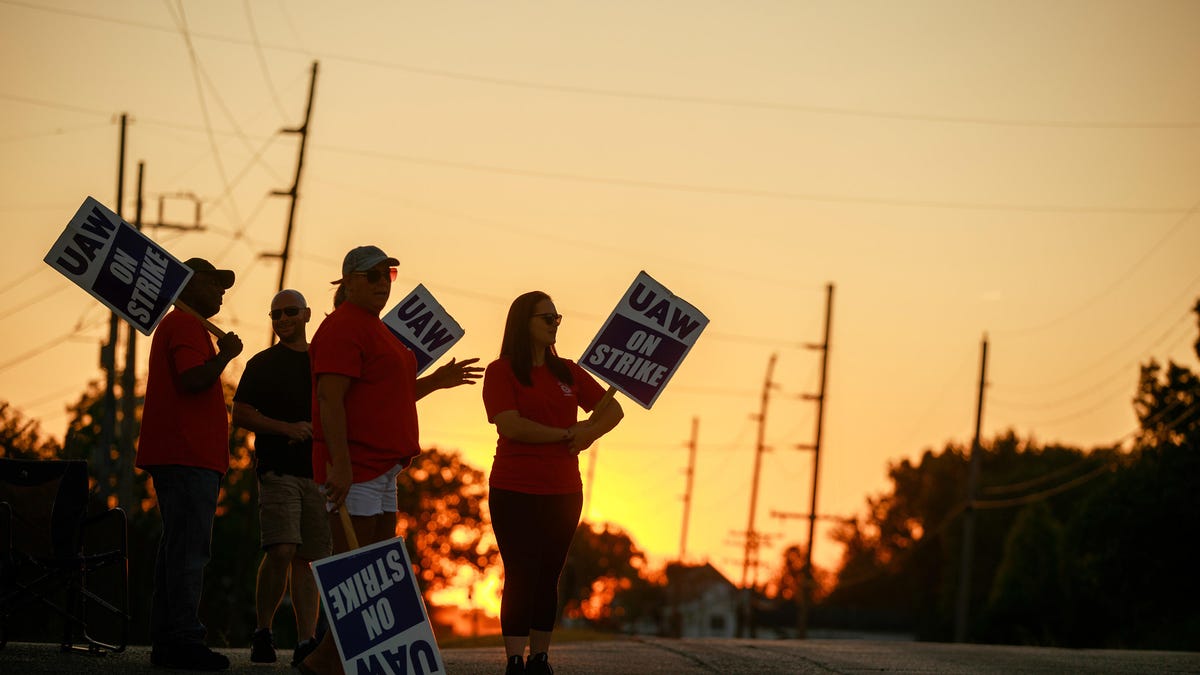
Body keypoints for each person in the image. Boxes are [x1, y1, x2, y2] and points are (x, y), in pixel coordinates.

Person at [298, 245, 483, 675]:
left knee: (379, 570)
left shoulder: (376, 329)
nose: (384, 282)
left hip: (384, 467)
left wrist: (435, 381)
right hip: (357, 466)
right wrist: (340, 464)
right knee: (357, 571)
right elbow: (330, 398)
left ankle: (335, 659)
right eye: (374, 275)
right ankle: (327, 661)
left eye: (389, 274)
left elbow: (388, 395)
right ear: (348, 281)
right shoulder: (343, 328)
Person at [482, 291, 624, 675]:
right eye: (546, 318)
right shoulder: (501, 370)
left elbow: (613, 409)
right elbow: (511, 424)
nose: (553, 324)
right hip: (514, 488)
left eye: (556, 318)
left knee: (549, 573)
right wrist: (566, 433)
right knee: (520, 571)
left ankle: (539, 658)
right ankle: (514, 659)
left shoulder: (570, 372)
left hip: (563, 491)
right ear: (522, 323)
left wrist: (589, 433)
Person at [136, 258, 243, 671]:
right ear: (191, 282)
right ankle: (183, 639)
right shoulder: (183, 323)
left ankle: (168, 640)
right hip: (185, 456)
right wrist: (225, 356)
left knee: (177, 549)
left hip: (185, 456)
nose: (221, 291)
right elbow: (192, 379)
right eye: (215, 283)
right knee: (189, 551)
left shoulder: (186, 325)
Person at [232, 289, 330, 666]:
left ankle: (306, 641)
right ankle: (263, 631)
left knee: (308, 560)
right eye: (276, 315)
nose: (283, 319)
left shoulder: (324, 363)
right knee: (282, 549)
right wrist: (286, 428)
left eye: (290, 312)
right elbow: (240, 414)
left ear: (306, 315)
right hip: (278, 470)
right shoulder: (262, 364)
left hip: (318, 474)